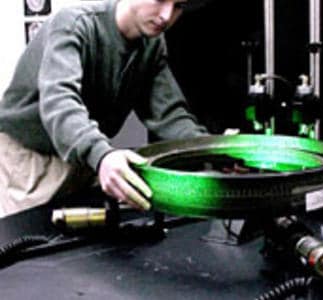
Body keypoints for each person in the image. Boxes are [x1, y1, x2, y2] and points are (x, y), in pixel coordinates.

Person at [0, 0, 210, 218]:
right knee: (36, 245)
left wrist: (213, 153)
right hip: (32, 160)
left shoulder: (153, 44)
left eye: (178, 6)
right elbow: (60, 103)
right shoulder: (73, 24)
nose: (166, 16)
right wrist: (101, 155)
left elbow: (170, 116)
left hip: (85, 157)